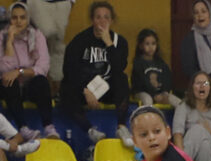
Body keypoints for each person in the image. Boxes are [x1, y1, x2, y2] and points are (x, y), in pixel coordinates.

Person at [60, 1, 132, 147]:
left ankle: (121, 127)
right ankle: (90, 130)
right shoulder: (80, 41)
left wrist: (109, 44)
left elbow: (119, 68)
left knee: (122, 79)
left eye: (106, 17)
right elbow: (69, 70)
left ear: (112, 20)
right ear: (92, 20)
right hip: (84, 89)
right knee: (65, 88)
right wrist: (85, 90)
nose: (102, 21)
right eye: (98, 17)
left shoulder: (120, 42)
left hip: (106, 87)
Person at [1, 1, 58, 140]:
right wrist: (9, 41)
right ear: (9, 19)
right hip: (10, 88)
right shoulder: (2, 36)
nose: (18, 21)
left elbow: (43, 66)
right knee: (9, 81)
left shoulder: (37, 35)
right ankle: (23, 128)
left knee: (41, 81)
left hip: (30, 85)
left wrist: (19, 72)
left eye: (22, 17)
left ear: (28, 19)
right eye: (14, 18)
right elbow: (4, 69)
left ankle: (49, 127)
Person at [173, 70, 211, 161]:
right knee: (204, 145)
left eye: (206, 83)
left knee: (198, 129)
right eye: (198, 83)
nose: (202, 86)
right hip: (192, 154)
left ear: (210, 88)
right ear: (192, 87)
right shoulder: (183, 106)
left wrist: (210, 132)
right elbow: (177, 135)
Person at [25, 0, 73, 84]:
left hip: (63, 3)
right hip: (37, 3)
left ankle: (57, 82)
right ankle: (41, 81)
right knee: (41, 41)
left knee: (58, 45)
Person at [131, 28, 180, 107]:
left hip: (160, 93)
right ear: (141, 46)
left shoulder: (160, 63)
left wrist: (165, 92)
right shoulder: (138, 63)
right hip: (143, 92)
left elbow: (167, 78)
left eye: (153, 44)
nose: (151, 47)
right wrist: (153, 95)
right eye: (147, 44)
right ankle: (149, 115)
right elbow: (141, 82)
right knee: (148, 100)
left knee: (177, 102)